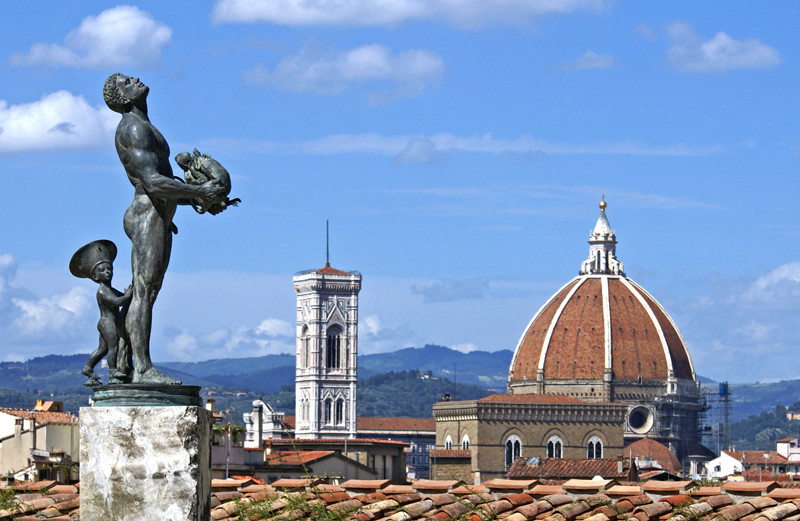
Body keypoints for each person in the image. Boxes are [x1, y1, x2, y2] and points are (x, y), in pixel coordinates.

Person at [103, 73, 225, 384]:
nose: (136, 80)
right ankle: (142, 369)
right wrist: (200, 193)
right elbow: (152, 182)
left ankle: (126, 365)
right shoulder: (133, 128)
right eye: (127, 82)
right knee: (145, 292)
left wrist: (197, 198)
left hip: (157, 212)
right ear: (124, 98)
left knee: (147, 292)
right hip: (148, 212)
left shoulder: (145, 126)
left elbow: (161, 182)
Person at [70, 240, 133, 386]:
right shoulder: (103, 291)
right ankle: (113, 371)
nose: (107, 272)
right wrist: (127, 296)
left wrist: (126, 295)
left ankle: (88, 368)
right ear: (96, 277)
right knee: (113, 347)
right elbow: (118, 302)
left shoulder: (110, 290)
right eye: (103, 270)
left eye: (109, 269)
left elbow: (120, 297)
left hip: (106, 323)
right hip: (107, 322)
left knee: (102, 349)